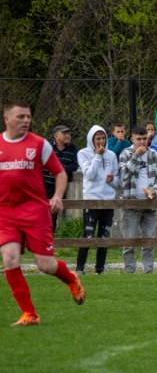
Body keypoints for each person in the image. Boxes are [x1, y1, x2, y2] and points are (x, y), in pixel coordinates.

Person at [0, 100, 85, 326]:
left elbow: (60, 173)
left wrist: (57, 196)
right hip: (7, 213)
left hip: (35, 212)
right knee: (9, 258)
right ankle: (29, 314)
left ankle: (71, 279)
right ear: (7, 119)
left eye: (28, 116)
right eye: (20, 117)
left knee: (45, 265)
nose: (26, 120)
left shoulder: (39, 144)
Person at [118, 125, 157, 274]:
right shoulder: (126, 154)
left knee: (149, 241)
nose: (142, 142)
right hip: (131, 203)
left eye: (145, 138)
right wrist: (136, 156)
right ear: (132, 139)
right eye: (139, 139)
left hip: (149, 204)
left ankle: (148, 271)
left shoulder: (154, 154)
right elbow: (123, 176)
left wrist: (155, 191)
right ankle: (130, 272)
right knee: (129, 242)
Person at [76, 125, 120, 275]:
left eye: (103, 138)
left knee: (104, 237)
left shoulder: (112, 155)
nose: (101, 141)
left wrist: (112, 180)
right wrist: (97, 156)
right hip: (91, 200)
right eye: (97, 138)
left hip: (108, 201)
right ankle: (80, 269)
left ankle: (100, 270)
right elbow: (89, 175)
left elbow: (117, 181)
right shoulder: (83, 153)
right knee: (88, 237)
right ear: (91, 140)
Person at [48, 125, 78, 231]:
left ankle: (51, 235)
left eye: (69, 133)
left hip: (60, 186)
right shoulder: (48, 147)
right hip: (45, 183)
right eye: (65, 133)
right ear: (56, 136)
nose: (68, 135)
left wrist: (61, 170)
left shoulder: (72, 148)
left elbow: (75, 165)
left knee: (53, 213)